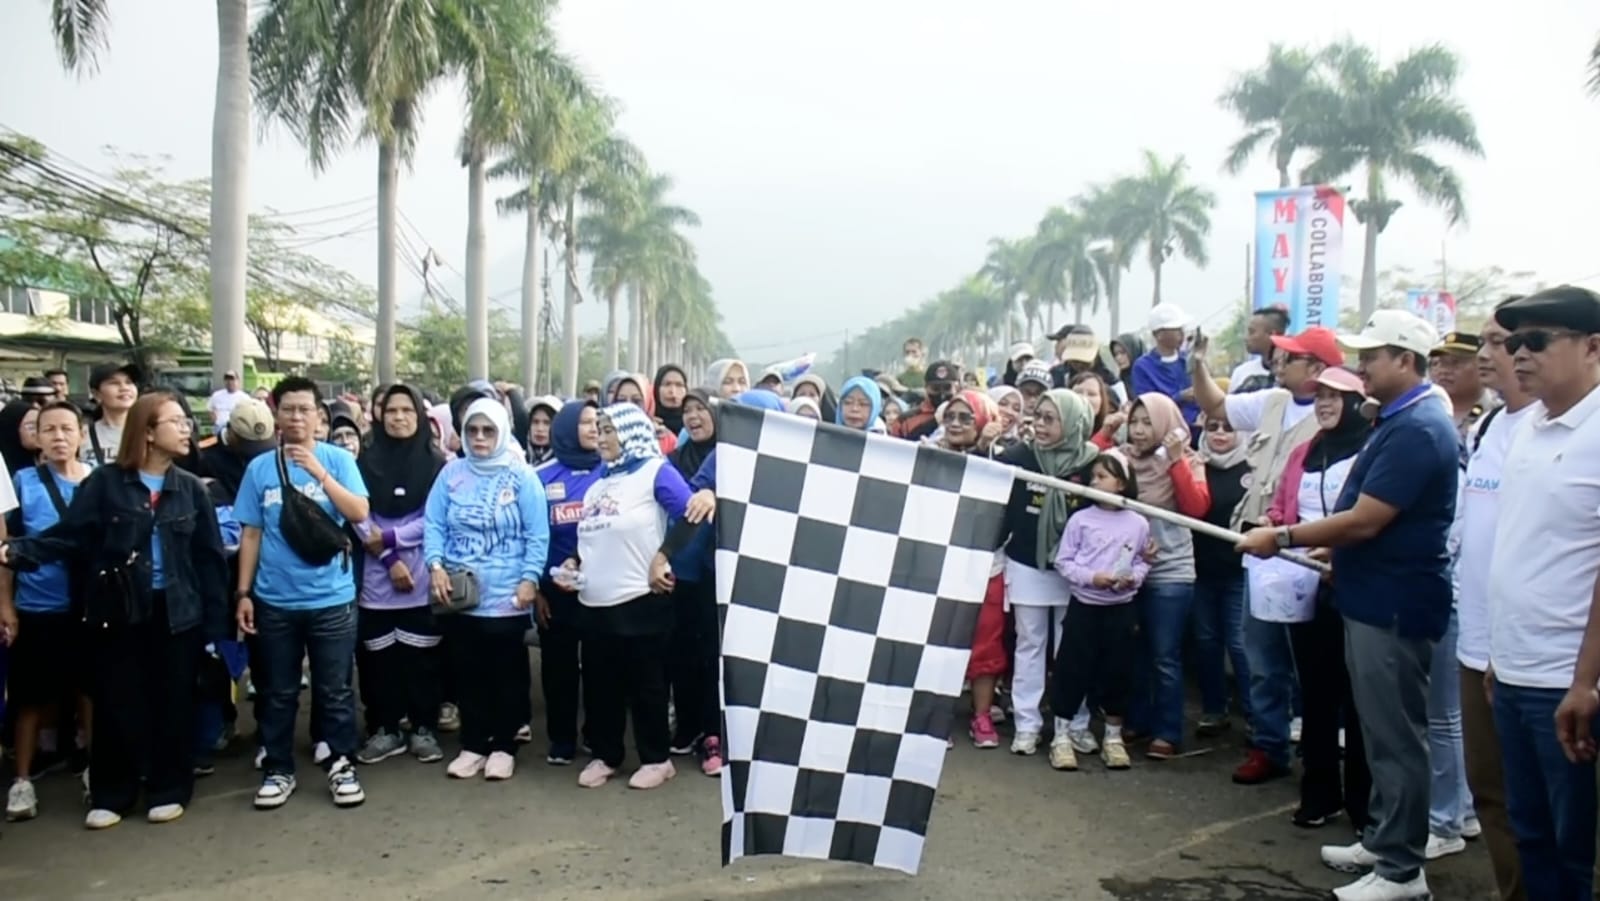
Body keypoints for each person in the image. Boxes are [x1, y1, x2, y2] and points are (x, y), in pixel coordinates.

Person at [1239, 309, 1458, 901]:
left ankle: (1401, 870)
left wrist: (1280, 537)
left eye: (1373, 355)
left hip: (1394, 602)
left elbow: (1365, 519)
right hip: (1369, 592)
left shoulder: (1417, 429)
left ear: (1406, 362)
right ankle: (1387, 840)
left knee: (1395, 738)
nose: (1360, 365)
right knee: (1379, 729)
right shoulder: (1397, 419)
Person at [0, 392, 229, 829]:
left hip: (177, 612)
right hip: (119, 610)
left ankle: (169, 787)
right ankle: (112, 792)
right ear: (146, 431)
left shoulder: (190, 488)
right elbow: (70, 536)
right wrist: (14, 552)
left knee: (172, 701)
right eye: (175, 421)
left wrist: (217, 629)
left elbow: (209, 561)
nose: (185, 429)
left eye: (186, 422)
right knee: (115, 701)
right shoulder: (106, 484)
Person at [1192, 325, 1343, 786]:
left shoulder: (1340, 413)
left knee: (1314, 664)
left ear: (1317, 369)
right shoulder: (1271, 401)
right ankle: (1269, 744)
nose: (1279, 363)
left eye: (1291, 357)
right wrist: (1197, 363)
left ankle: (1321, 754)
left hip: (1311, 549)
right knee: (1262, 657)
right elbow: (1215, 406)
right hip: (1261, 545)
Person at [1488, 287, 1600, 900]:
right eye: (1513, 342)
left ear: (1592, 347)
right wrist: (1498, 659)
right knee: (1529, 832)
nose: (1519, 354)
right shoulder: (1528, 427)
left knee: (1572, 846)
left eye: (1537, 341)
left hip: (1566, 684)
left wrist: (1585, 681)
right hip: (1512, 672)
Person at [235, 377, 372, 811]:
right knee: (278, 689)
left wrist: (321, 473)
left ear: (319, 417)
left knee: (334, 688)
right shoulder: (259, 468)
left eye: (304, 410)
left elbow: (359, 512)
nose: (296, 417)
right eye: (288, 409)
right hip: (275, 599)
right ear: (276, 415)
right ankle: (278, 768)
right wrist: (244, 592)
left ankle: (341, 764)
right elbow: (251, 534)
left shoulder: (337, 459)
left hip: (331, 597)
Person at [562, 403, 704, 790]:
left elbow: (693, 515)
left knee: (647, 686)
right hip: (594, 601)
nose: (601, 437)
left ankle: (657, 759)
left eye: (609, 430)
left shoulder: (655, 472)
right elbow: (591, 536)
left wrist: (663, 557)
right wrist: (573, 564)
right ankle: (607, 755)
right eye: (599, 430)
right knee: (600, 685)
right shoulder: (597, 483)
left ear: (630, 433)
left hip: (641, 599)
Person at [1264, 368, 1373, 832]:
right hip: (1304, 586)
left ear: (1356, 402)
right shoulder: (1304, 452)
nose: (1326, 404)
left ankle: (1364, 803)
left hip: (1355, 585)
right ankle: (1320, 792)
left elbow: (1371, 518)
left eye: (1336, 396)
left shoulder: (1373, 448)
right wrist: (1273, 524)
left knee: (1361, 701)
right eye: (1321, 396)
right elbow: (1283, 506)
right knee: (1316, 693)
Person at [424, 398, 549, 782]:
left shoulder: (521, 476)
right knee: (468, 673)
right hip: (462, 595)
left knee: (506, 674)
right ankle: (474, 744)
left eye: (488, 430)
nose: (479, 437)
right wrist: (435, 567)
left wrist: (530, 579)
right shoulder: (451, 474)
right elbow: (434, 524)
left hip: (507, 596)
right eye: (473, 430)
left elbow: (537, 534)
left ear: (502, 432)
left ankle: (503, 747)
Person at [1454, 304, 1530, 901]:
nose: (1489, 354)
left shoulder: (1574, 430)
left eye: (1500, 342)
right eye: (1486, 341)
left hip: (1537, 657)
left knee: (1555, 807)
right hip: (1477, 645)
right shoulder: (1492, 425)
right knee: (1492, 793)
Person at [993, 390, 1101, 760]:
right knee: (1030, 644)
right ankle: (1026, 725)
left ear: (1074, 424)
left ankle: (1075, 724)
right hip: (1026, 563)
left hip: (1076, 571)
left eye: (1050, 419)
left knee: (1072, 648)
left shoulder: (1093, 465)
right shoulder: (1018, 458)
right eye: (1037, 416)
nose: (1039, 425)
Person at [1, 401, 92, 822]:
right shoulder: (23, 483)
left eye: (66, 428)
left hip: (88, 606)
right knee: (30, 697)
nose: (58, 436)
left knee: (89, 691)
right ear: (35, 437)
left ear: (80, 434)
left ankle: (94, 768)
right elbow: (7, 552)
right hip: (37, 606)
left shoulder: (97, 481)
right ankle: (21, 781)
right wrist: (6, 605)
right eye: (48, 429)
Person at [352, 385, 447, 767]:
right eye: (391, 410)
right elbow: (358, 516)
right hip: (377, 579)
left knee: (422, 660)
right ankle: (384, 729)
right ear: (379, 415)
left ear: (420, 416)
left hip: (421, 578)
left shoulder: (437, 463)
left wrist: (391, 537)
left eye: (407, 410)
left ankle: (423, 728)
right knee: (379, 662)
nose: (399, 417)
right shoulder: (363, 462)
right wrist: (390, 558)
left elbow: (435, 519)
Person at [1122, 393, 1209, 760]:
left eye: (1148, 422)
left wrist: (1175, 461)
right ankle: (1138, 719)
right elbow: (1092, 475)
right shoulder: (1122, 459)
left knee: (1165, 654)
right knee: (1135, 650)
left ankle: (1168, 730)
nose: (1139, 431)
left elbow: (1196, 508)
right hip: (1127, 571)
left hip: (1171, 572)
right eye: (1134, 422)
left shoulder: (1189, 459)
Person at [1051, 449, 1150, 771]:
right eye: (1093, 476)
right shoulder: (1080, 519)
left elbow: (1141, 563)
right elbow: (1064, 561)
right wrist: (1093, 577)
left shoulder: (1138, 522)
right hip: (1084, 607)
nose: (1094, 482)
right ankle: (1062, 736)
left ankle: (1113, 738)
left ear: (1121, 484)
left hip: (1120, 609)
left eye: (1102, 477)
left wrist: (1130, 580)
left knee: (1118, 672)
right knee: (1071, 669)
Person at [533, 401, 603, 767]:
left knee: (598, 666)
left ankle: (596, 732)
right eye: (586, 422)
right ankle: (561, 738)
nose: (594, 428)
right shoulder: (541, 476)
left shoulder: (611, 472)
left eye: (598, 422)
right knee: (558, 666)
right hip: (554, 592)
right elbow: (530, 534)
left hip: (600, 589)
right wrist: (541, 587)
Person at [665, 389, 722, 774]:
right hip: (682, 571)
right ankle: (687, 726)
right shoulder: (672, 461)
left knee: (715, 655)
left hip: (722, 573)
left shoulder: (736, 456)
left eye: (702, 408)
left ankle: (713, 734)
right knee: (682, 652)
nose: (694, 416)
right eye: (687, 410)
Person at [1191, 411, 1252, 739]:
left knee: (1240, 644)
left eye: (1228, 427)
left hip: (1238, 571)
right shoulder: (1195, 464)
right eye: (1212, 426)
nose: (1219, 433)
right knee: (1206, 643)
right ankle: (1215, 710)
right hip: (1202, 569)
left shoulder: (1252, 466)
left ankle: (1256, 715)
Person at [1430, 332, 1500, 467]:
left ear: (1481, 364)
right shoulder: (1424, 414)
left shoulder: (1496, 413)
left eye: (1455, 363)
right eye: (1438, 363)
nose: (1443, 370)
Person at [1130, 305, 1199, 425]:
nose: (1181, 334)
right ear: (1159, 334)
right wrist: (1180, 397)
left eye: (1181, 329)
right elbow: (1147, 405)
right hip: (1163, 428)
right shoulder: (1143, 366)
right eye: (1176, 330)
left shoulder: (1188, 360)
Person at [198, 399, 277, 501]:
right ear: (231, 431)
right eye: (250, 445)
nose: (255, 452)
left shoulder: (275, 452)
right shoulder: (204, 455)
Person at [82, 363, 139, 466]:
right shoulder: (82, 434)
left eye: (129, 382)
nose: (124, 388)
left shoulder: (148, 432)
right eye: (114, 383)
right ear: (96, 394)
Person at [1232, 307, 1290, 394]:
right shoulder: (1241, 372)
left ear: (1272, 334)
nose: (1246, 338)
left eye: (1252, 332)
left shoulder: (1294, 376)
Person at [898, 360, 958, 440]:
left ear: (957, 388)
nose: (942, 394)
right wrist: (934, 423)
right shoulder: (905, 420)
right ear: (926, 388)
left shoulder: (966, 419)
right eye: (935, 388)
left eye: (947, 388)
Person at [525, 396, 559, 467]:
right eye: (535, 422)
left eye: (547, 423)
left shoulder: (562, 462)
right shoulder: (517, 457)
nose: (540, 429)